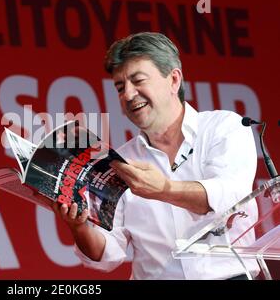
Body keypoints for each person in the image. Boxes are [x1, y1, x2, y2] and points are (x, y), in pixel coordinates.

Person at [52, 32, 260, 280]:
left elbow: (230, 196)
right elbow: (107, 253)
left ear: (173, 80)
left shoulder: (224, 127)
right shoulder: (120, 161)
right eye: (120, 87)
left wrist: (164, 189)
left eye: (138, 80)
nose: (128, 94)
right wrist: (79, 226)